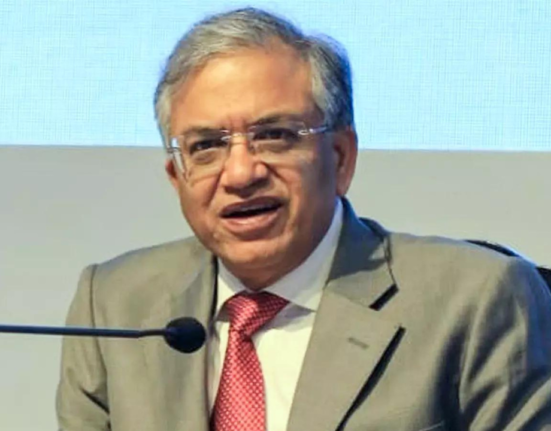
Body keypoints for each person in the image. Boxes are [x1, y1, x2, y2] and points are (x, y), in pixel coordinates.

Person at [56, 7, 551, 431]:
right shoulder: (114, 304)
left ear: (340, 158)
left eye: (274, 135)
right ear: (176, 176)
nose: (241, 173)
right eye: (206, 146)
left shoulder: (476, 299)